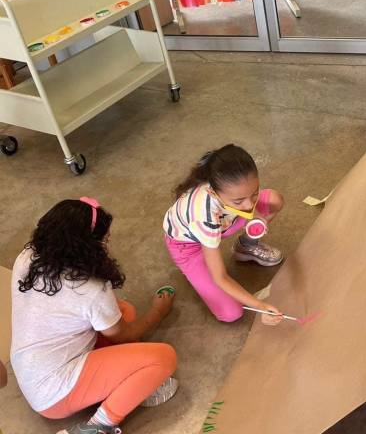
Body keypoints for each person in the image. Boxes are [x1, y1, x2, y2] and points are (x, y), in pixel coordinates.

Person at [11, 198, 178, 434]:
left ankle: (119, 381)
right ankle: (100, 424)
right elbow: (124, 335)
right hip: (55, 395)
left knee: (124, 310)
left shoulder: (27, 256)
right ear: (87, 247)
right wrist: (158, 313)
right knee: (163, 357)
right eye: (104, 240)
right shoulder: (88, 287)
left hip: (32, 371)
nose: (106, 246)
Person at [164, 144, 285, 323]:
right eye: (239, 200)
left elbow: (247, 204)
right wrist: (260, 306)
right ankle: (192, 270)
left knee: (274, 199)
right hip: (189, 246)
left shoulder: (232, 189)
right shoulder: (203, 217)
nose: (249, 205)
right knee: (231, 313)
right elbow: (220, 277)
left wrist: (256, 215)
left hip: (224, 223)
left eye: (254, 193)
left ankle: (245, 247)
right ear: (214, 192)